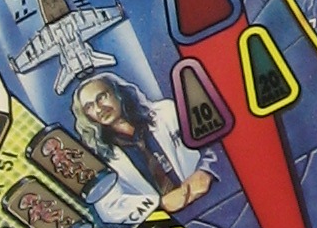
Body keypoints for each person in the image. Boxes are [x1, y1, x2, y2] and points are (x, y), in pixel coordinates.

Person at [68, 72, 211, 214]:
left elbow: (212, 140)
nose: (99, 109)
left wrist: (206, 170)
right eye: (89, 107)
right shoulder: (101, 159)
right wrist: (160, 204)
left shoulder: (167, 112)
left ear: (118, 93)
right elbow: (109, 207)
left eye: (102, 97)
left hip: (208, 196)